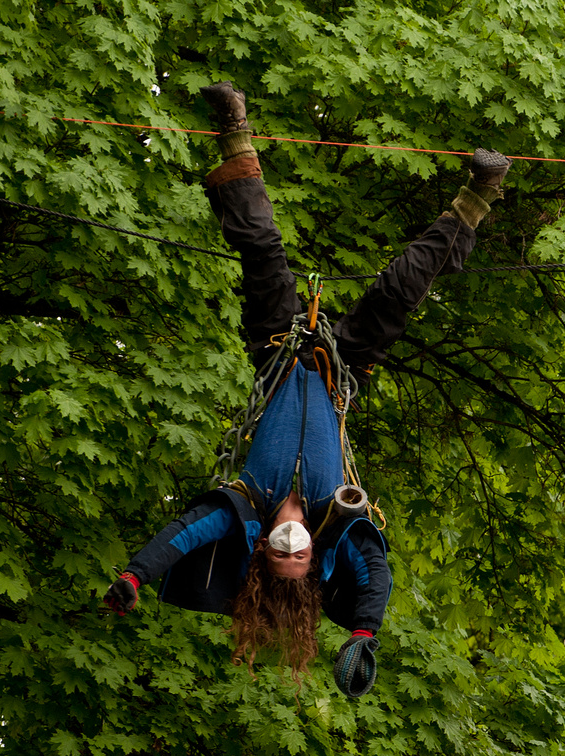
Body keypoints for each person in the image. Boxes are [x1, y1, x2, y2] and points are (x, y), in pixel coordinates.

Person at [102, 80, 512, 697]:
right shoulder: (333, 529)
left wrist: (134, 578)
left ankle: (235, 128)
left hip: (277, 353)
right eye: (300, 560)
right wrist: (364, 633)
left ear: (263, 553)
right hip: (341, 367)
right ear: (311, 564)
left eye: (281, 557)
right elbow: (374, 573)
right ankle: (480, 194)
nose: (292, 549)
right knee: (400, 289)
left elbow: (179, 537)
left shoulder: (241, 511)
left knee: (263, 251)